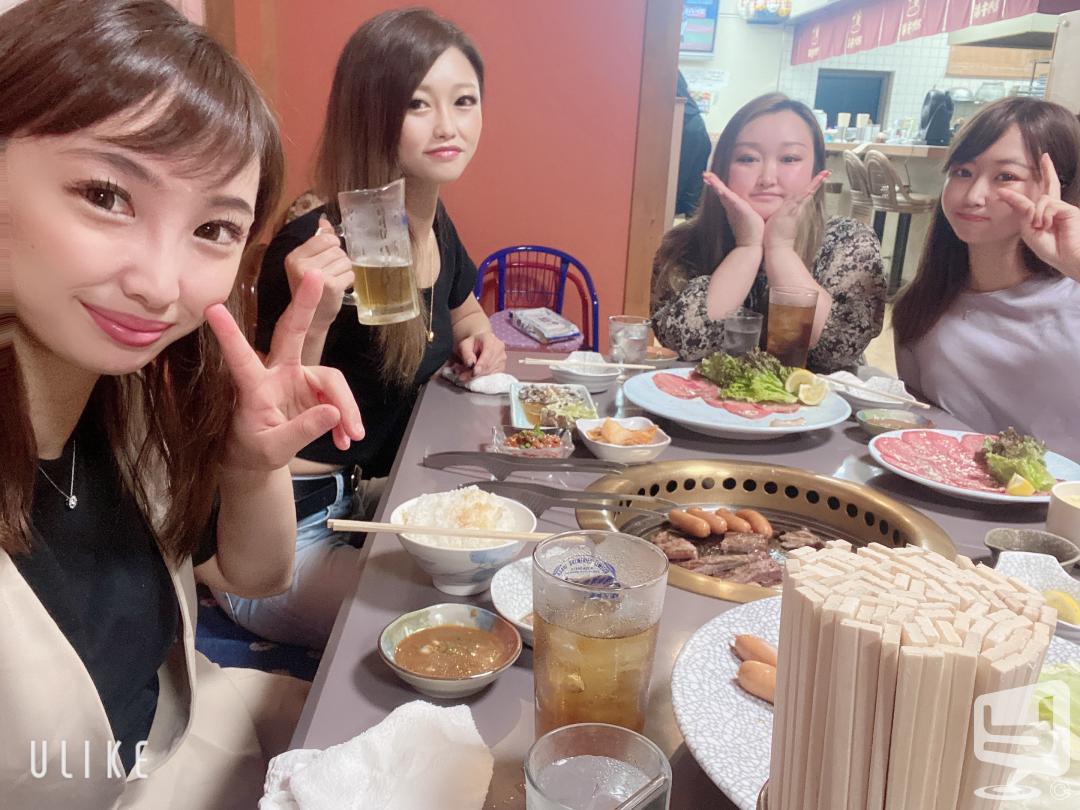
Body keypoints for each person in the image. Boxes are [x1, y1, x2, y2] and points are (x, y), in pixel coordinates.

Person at [0, 1, 367, 806]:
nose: (160, 285)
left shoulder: (123, 399)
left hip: (182, 736)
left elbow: (254, 575)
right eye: (106, 194)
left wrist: (250, 462)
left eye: (214, 228)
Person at [213, 8, 506, 648]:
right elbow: (267, 417)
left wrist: (478, 336)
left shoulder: (430, 221)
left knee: (503, 559)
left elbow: (463, 308)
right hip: (281, 537)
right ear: (370, 114)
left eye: (464, 101)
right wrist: (314, 316)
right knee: (461, 619)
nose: (449, 125)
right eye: (418, 104)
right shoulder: (326, 245)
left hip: (370, 501)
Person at [894, 98, 1080, 459]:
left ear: (1060, 185)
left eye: (1006, 176)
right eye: (963, 171)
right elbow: (926, 430)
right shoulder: (922, 309)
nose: (973, 195)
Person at [651, 93, 886, 372]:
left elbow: (836, 352)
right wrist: (747, 247)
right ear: (722, 168)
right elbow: (683, 344)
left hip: (813, 400)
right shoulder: (682, 244)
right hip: (701, 399)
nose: (767, 178)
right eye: (748, 158)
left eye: (789, 158)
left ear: (816, 170)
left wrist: (780, 248)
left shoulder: (850, 242)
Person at [675, 70, 712, 217]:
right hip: (695, 126)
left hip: (686, 128)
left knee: (679, 189)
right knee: (693, 195)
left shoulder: (662, 68)